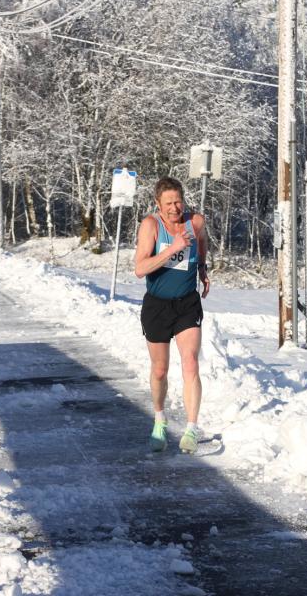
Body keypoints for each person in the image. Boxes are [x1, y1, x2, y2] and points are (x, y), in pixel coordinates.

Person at [133, 177, 210, 454]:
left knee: (190, 362)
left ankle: (191, 428)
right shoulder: (151, 226)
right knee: (160, 369)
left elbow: (200, 241)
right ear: (158, 204)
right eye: (168, 203)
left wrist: (202, 267)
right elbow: (140, 268)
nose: (175, 208)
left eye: (178, 201)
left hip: (187, 304)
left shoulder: (196, 222)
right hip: (157, 306)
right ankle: (159, 420)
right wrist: (172, 249)